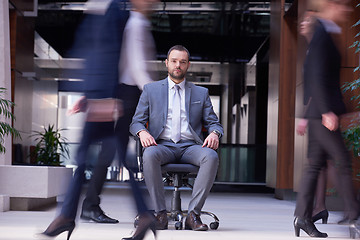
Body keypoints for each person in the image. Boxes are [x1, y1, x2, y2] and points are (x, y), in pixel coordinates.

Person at [39, 1, 158, 240]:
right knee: (113, 155)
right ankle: (141, 214)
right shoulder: (113, 10)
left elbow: (111, 53)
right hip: (104, 94)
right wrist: (89, 94)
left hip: (110, 96)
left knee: (91, 155)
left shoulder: (118, 11)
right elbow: (94, 52)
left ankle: (69, 215)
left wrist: (104, 97)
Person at [130, 45, 224, 231]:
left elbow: (214, 122)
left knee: (211, 156)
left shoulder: (201, 93)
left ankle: (193, 215)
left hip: (191, 147)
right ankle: (160, 214)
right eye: (174, 61)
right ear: (166, 63)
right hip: (162, 145)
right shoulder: (151, 90)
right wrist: (142, 132)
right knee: (149, 154)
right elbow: (135, 122)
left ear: (188, 65)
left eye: (182, 62)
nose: (177, 65)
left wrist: (215, 133)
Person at [79, 0, 158, 224]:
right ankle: (94, 205)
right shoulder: (135, 24)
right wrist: (157, 94)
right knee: (116, 151)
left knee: (117, 150)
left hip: (132, 93)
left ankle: (93, 205)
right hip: (128, 94)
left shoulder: (138, 23)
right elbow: (136, 67)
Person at [293, 0, 357, 238]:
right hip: (323, 114)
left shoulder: (324, 33)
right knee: (342, 160)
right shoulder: (322, 33)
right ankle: (353, 211)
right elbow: (317, 76)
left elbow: (317, 77)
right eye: (344, 5)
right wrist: (326, 111)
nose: (348, 10)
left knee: (315, 167)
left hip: (318, 113)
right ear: (331, 5)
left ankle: (302, 217)